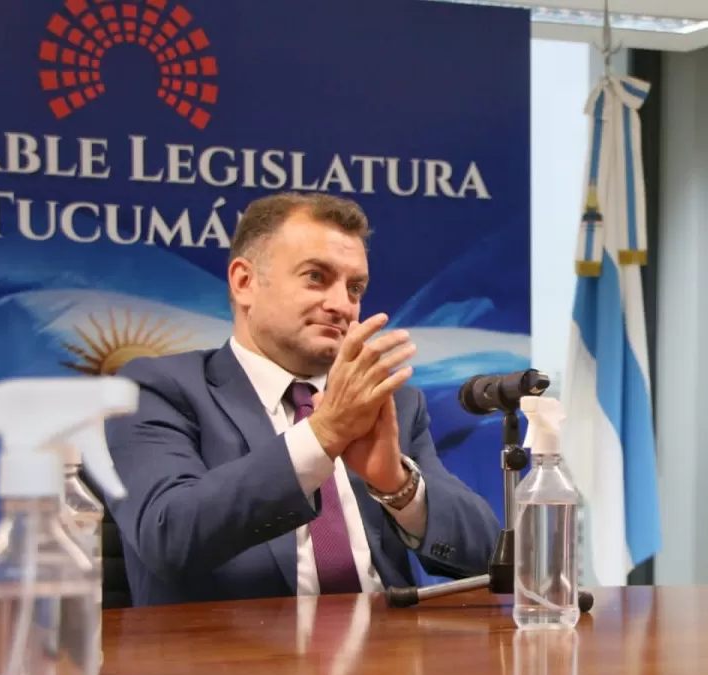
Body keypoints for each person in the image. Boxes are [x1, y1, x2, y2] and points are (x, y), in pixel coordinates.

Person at [105, 192, 500, 606]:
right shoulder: (156, 389)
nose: (341, 305)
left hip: (388, 657)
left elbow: (488, 557)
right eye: (316, 277)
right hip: (230, 660)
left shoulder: (390, 403)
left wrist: (397, 487)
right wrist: (322, 436)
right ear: (244, 282)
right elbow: (167, 535)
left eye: (355, 288)